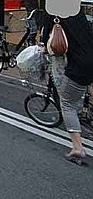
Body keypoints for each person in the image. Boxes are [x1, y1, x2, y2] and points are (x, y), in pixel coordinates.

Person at [40, 10, 93, 165]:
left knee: (67, 103)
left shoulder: (53, 13)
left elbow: (45, 40)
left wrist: (42, 48)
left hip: (79, 66)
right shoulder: (78, 11)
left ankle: (77, 148)